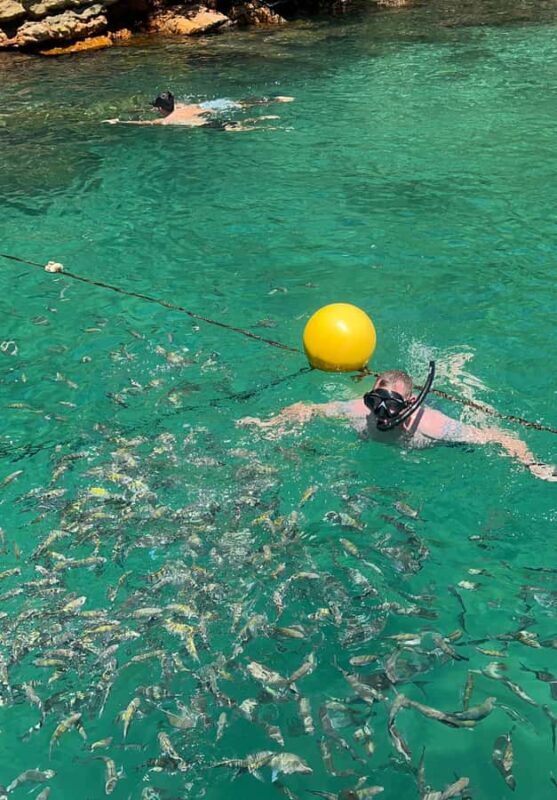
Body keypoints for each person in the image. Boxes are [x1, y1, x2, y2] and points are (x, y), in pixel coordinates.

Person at [238, 361, 556, 482]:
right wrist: (271, 424)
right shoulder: (356, 412)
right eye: (374, 403)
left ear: (409, 403)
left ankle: (456, 373)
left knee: (467, 402)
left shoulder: (432, 426)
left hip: (433, 424)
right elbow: (307, 407)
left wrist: (532, 464)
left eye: (391, 406)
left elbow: (499, 436)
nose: (381, 415)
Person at [103, 90, 294, 129]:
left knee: (238, 127)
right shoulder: (184, 106)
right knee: (242, 103)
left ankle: (267, 124)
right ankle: (276, 100)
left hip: (204, 123)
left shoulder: (166, 121)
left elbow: (142, 123)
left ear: (160, 109)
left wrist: (118, 121)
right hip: (208, 107)